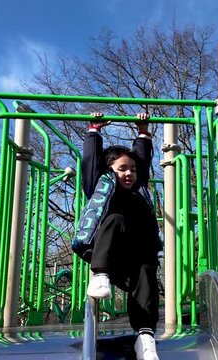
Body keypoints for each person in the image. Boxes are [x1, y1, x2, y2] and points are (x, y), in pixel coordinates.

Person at [74, 112, 161, 360]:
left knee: (146, 273)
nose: (129, 174)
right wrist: (93, 131)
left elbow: (141, 161)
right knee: (116, 219)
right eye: (122, 169)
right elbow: (91, 161)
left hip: (134, 258)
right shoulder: (100, 185)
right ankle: (99, 275)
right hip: (107, 255)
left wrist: (143, 132)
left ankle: (145, 337)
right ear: (110, 170)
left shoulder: (139, 189)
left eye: (132, 169)